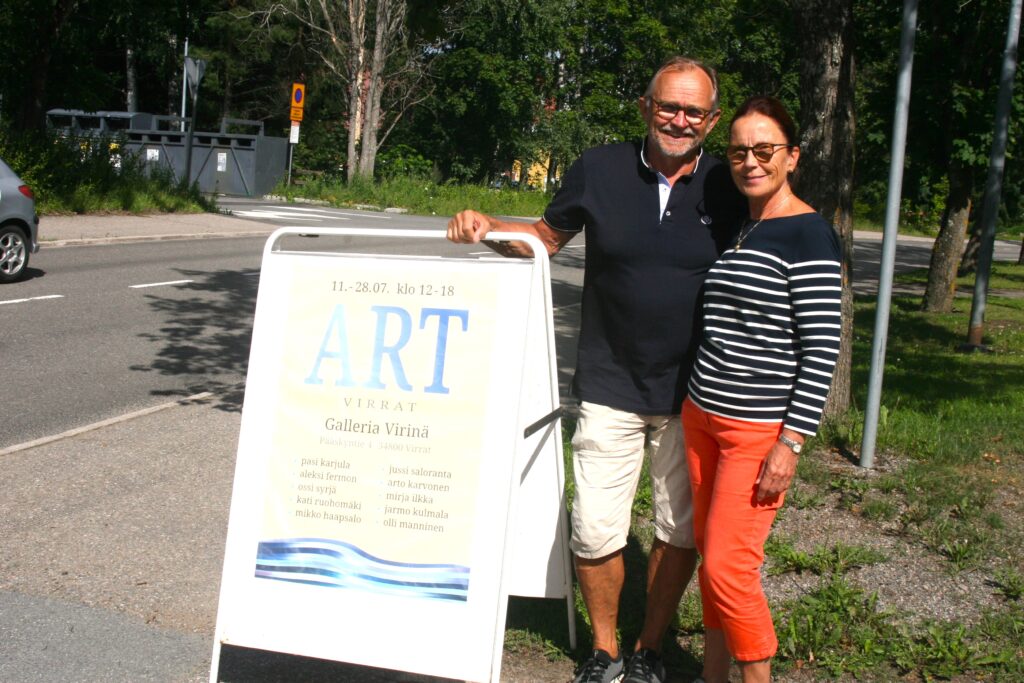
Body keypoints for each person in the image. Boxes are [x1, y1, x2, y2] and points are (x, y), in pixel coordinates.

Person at [448, 57, 745, 683]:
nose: (680, 120)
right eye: (669, 106)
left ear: (713, 121)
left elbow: (778, 238)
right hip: (609, 384)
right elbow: (542, 239)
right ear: (645, 107)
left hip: (695, 392)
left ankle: (649, 651)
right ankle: (604, 652)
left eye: (694, 111)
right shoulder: (600, 168)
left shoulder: (729, 185)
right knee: (592, 528)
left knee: (679, 528)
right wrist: (485, 227)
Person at [681, 95, 842, 683]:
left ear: (791, 156)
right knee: (710, 557)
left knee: (730, 566)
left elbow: (822, 349)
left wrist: (791, 442)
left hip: (756, 432)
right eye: (739, 151)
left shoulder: (809, 235)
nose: (751, 161)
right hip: (701, 415)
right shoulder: (745, 226)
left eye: (765, 149)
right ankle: (711, 674)